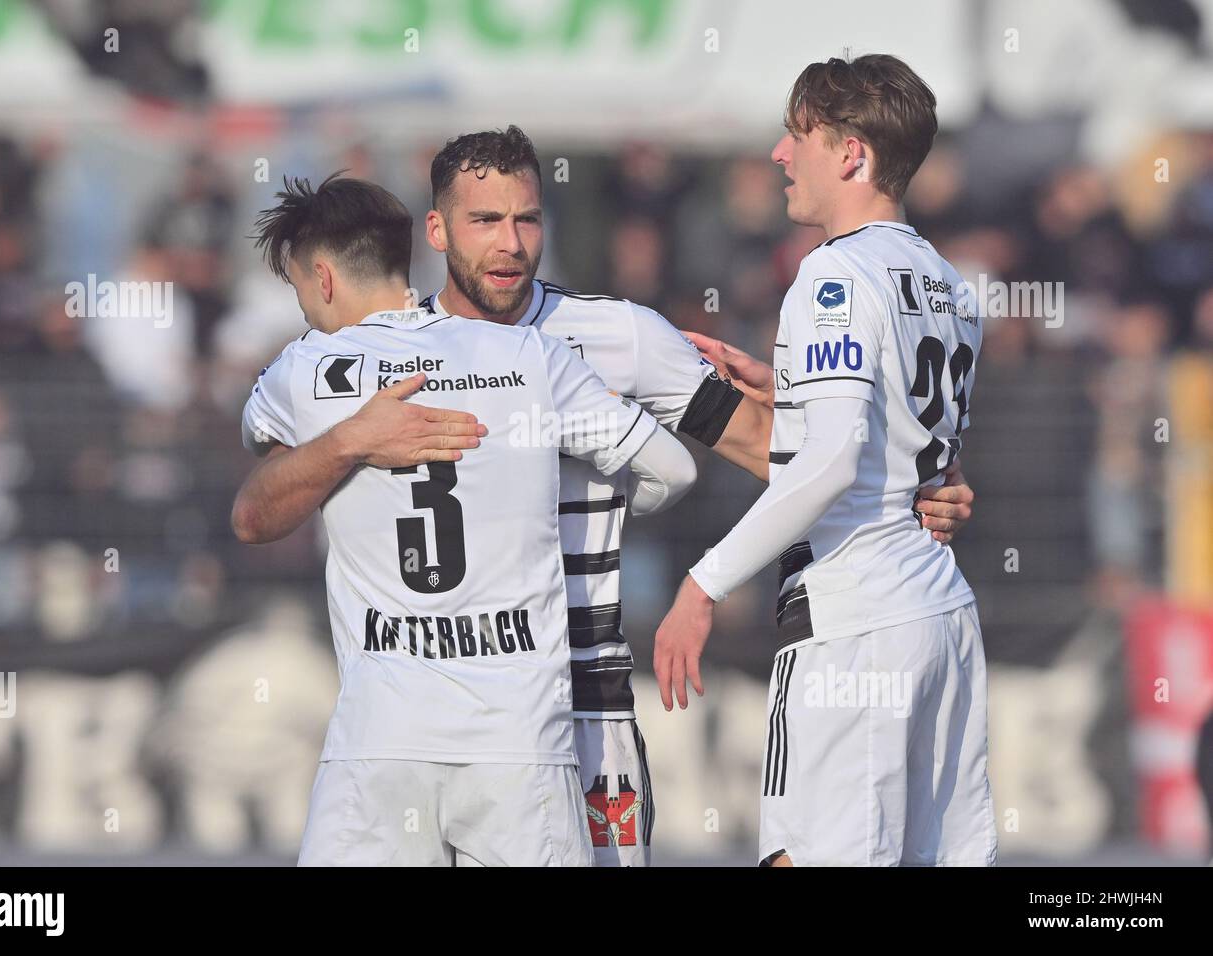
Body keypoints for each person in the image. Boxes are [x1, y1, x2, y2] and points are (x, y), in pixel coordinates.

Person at [236, 126, 978, 866]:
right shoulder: (382, 356)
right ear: (436, 230)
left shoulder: (619, 335)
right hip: (429, 705)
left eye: (527, 219)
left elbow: (773, 449)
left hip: (584, 701)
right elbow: (264, 501)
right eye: (485, 222)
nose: (510, 244)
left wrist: (906, 491)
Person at [233, 173, 696, 866]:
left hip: (380, 745)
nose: (304, 309)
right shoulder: (527, 356)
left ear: (323, 279)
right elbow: (673, 468)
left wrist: (351, 440)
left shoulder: (304, 372)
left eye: (300, 290)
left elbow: (254, 515)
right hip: (520, 747)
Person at [654, 54, 998, 867]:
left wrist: (705, 582)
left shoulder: (832, 274)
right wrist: (791, 391)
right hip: (940, 618)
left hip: (854, 625)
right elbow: (910, 448)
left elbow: (837, 459)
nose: (780, 154)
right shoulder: (951, 286)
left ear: (852, 155)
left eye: (798, 134)